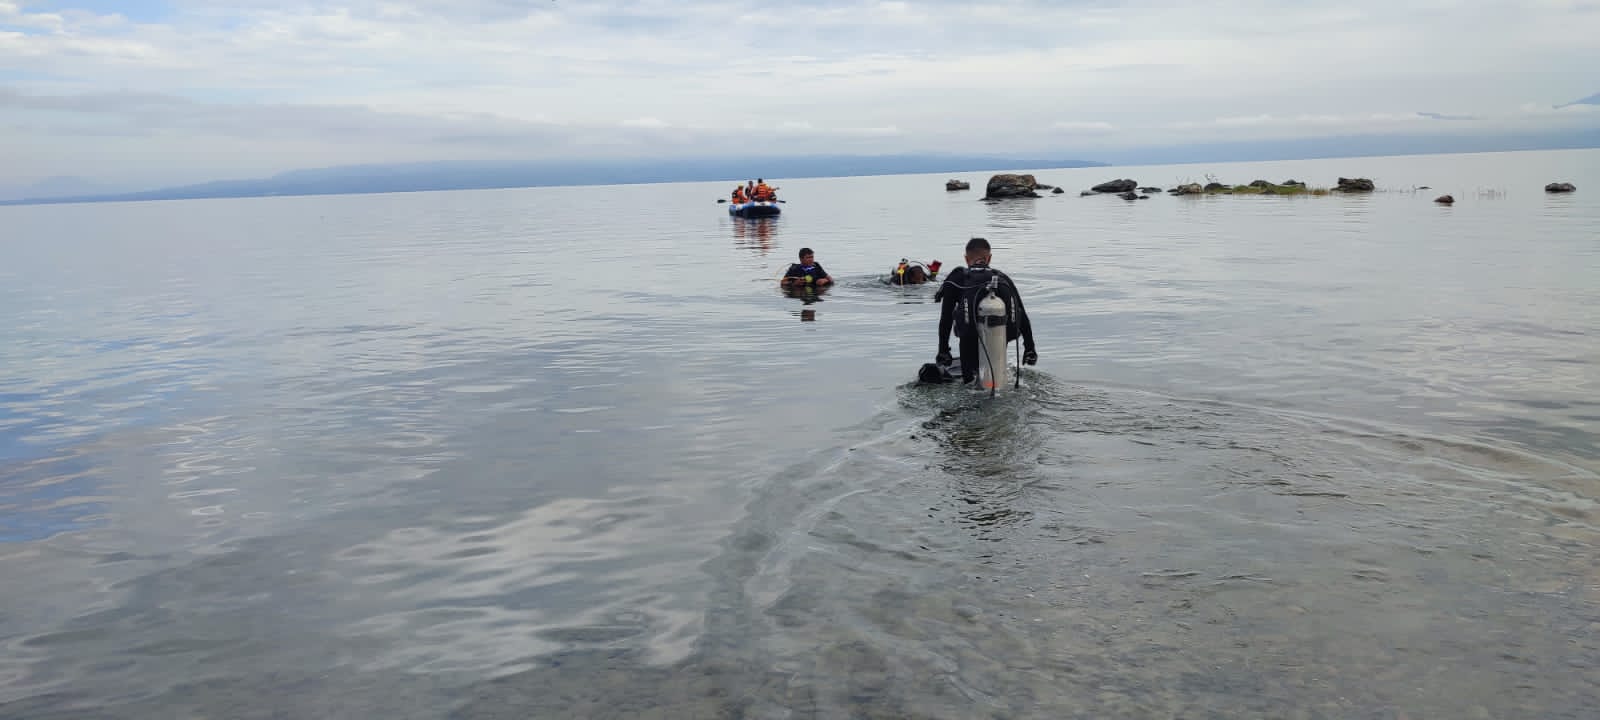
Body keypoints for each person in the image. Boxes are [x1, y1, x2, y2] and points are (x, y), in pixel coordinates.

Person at [934, 237, 1036, 383]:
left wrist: (943, 350)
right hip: (997, 338)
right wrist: (1029, 348)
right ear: (989, 258)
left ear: (966, 258)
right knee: (995, 379)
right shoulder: (1001, 279)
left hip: (968, 338)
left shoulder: (957, 278)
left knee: (971, 384)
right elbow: (1021, 314)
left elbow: (946, 319)